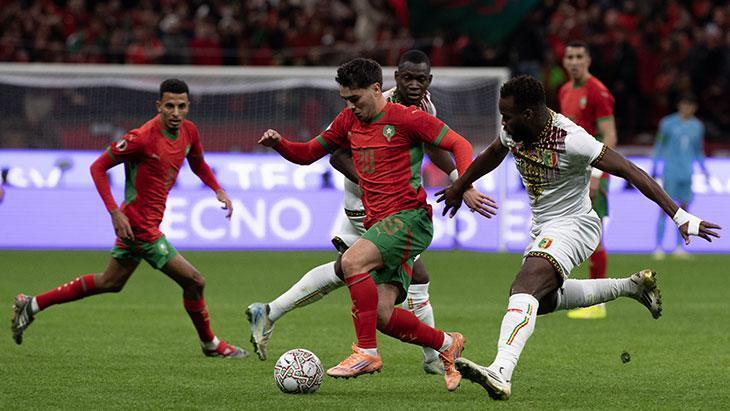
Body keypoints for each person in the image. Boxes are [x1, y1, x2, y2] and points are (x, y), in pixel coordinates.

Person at [438, 75, 720, 400]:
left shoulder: (571, 139)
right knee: (540, 300)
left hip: (575, 224)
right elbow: (493, 153)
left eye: (508, 116)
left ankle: (500, 372)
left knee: (524, 287)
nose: (503, 123)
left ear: (528, 114)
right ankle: (631, 287)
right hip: (544, 226)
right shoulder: (514, 131)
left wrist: (680, 216)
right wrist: (460, 186)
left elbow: (631, 170)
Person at [259, 58, 497, 390]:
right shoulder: (348, 120)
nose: (350, 106)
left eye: (355, 99)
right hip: (380, 225)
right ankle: (446, 343)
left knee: (351, 262)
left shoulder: (408, 117)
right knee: (382, 315)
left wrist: (462, 184)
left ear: (375, 89)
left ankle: (366, 352)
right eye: (345, 99)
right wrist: (279, 144)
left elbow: (460, 144)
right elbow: (308, 153)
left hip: (410, 219)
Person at [11, 79, 247, 359]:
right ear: (159, 106)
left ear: (188, 107)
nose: (175, 112)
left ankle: (31, 305)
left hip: (144, 224)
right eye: (169, 106)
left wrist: (218, 189)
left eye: (181, 106)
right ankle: (210, 344)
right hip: (139, 227)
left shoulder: (189, 131)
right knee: (194, 281)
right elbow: (98, 167)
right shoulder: (141, 138)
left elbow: (197, 163)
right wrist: (115, 212)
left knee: (110, 282)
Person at [558, 40, 617, 319]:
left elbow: (610, 136)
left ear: (588, 60)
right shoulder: (565, 90)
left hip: (593, 173)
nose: (574, 62)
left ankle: (597, 303)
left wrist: (596, 175)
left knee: (594, 236)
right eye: (570, 56)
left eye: (579, 56)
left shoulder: (598, 91)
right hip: (571, 174)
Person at [651, 94, 709, 259]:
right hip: (670, 171)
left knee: (684, 211)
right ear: (679, 105)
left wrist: (704, 169)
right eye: (685, 104)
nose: (687, 108)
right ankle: (658, 247)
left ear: (694, 108)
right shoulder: (667, 123)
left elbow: (698, 150)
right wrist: (654, 166)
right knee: (665, 208)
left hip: (687, 172)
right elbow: (659, 145)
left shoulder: (697, 126)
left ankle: (679, 247)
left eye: (690, 105)